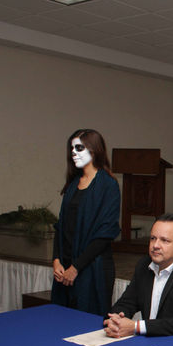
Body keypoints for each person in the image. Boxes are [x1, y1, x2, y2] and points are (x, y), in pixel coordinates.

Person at [104, 213, 173, 342]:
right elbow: (127, 302)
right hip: (154, 341)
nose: (155, 245)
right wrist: (116, 320)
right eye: (153, 238)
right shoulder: (144, 265)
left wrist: (136, 327)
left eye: (164, 240)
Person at [52, 129, 120, 316]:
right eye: (72, 148)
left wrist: (76, 267)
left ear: (94, 150)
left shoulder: (108, 185)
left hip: (92, 268)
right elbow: (61, 226)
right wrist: (56, 260)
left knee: (88, 325)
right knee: (60, 322)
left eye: (79, 148)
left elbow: (106, 233)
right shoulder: (73, 183)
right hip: (65, 269)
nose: (73, 152)